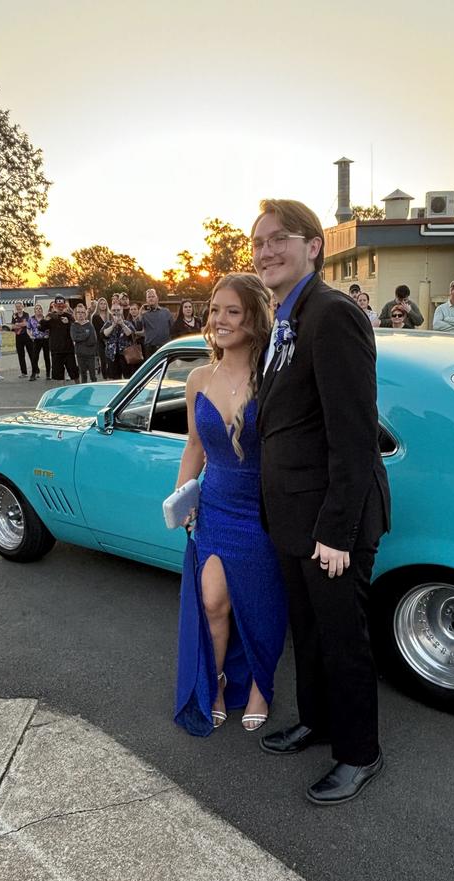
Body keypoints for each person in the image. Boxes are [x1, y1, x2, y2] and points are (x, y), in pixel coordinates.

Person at [252, 198, 390, 806]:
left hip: (332, 523)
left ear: (315, 246)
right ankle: (317, 720)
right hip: (292, 517)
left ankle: (359, 752)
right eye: (257, 243)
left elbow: (354, 437)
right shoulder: (287, 316)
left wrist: (335, 531)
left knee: (342, 638)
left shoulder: (332, 315)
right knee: (305, 633)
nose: (266, 251)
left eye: (279, 238)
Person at [174, 273, 287, 737]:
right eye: (215, 310)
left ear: (254, 319)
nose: (219, 320)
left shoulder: (275, 377)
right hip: (217, 506)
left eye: (232, 311)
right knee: (213, 600)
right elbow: (195, 445)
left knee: (262, 606)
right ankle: (217, 681)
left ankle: (261, 685)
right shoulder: (199, 377)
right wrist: (183, 495)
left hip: (263, 511)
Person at [40, 295, 77, 382]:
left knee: (74, 373)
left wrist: (68, 323)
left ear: (65, 306)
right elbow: (41, 328)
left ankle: (78, 389)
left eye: (62, 306)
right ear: (55, 306)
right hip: (56, 350)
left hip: (68, 350)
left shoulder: (69, 316)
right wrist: (45, 320)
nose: (60, 308)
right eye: (58, 306)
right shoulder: (51, 316)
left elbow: (75, 328)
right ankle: (61, 394)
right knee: (59, 376)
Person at [102, 302, 137, 379]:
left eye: (118, 310)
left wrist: (122, 324)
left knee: (128, 377)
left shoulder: (127, 323)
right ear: (111, 311)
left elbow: (131, 334)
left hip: (126, 355)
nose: (116, 312)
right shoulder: (108, 323)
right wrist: (113, 325)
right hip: (112, 356)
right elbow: (104, 334)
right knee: (115, 379)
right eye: (114, 310)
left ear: (121, 311)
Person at [139, 288, 174, 359]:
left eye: (153, 296)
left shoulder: (166, 312)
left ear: (157, 298)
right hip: (150, 348)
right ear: (146, 300)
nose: (151, 298)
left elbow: (173, 328)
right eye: (149, 297)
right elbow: (138, 328)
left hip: (165, 347)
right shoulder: (144, 315)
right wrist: (140, 314)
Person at [70, 303, 99, 382]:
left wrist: (81, 339)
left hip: (90, 354)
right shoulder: (74, 326)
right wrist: (86, 334)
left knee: (93, 375)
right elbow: (74, 338)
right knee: (83, 375)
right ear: (75, 314)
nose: (80, 314)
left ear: (85, 313)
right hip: (80, 354)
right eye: (78, 312)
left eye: (82, 312)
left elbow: (93, 339)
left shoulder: (89, 325)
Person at [11, 301, 35, 379]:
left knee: (32, 354)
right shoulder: (14, 316)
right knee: (21, 355)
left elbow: (27, 324)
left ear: (22, 306)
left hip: (27, 336)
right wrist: (19, 324)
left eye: (19, 306)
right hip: (18, 336)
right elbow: (13, 326)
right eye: (17, 306)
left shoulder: (26, 314)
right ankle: (23, 372)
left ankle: (35, 371)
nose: (18, 308)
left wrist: (18, 324)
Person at [28, 303, 50, 380]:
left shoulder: (45, 318)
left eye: (39, 308)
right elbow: (28, 328)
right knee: (34, 357)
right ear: (34, 311)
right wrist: (30, 335)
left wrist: (49, 335)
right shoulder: (31, 319)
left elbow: (50, 328)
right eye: (36, 309)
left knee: (46, 357)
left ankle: (48, 373)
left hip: (45, 339)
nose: (38, 310)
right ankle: (34, 373)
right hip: (36, 339)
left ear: (42, 310)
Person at [91, 297, 111, 378]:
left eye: (104, 304)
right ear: (98, 305)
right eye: (101, 304)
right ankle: (105, 378)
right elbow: (97, 331)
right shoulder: (95, 316)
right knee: (103, 361)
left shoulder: (109, 315)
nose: (103, 305)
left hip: (110, 341)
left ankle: (112, 377)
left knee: (110, 361)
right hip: (100, 341)